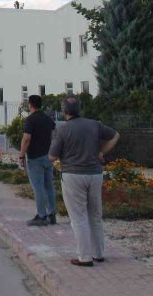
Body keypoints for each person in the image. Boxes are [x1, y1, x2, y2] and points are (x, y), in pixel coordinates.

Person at [49, 96, 120, 267]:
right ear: (79, 109)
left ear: (64, 111)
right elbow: (115, 135)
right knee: (95, 215)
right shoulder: (94, 124)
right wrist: (101, 152)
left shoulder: (63, 129)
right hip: (95, 174)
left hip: (73, 175)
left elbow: (52, 156)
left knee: (79, 217)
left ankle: (85, 257)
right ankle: (99, 253)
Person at [19, 95, 57, 226]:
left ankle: (41, 216)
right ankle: (52, 214)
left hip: (35, 157)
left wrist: (21, 156)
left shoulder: (31, 119)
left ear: (30, 105)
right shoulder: (48, 119)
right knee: (49, 186)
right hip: (48, 156)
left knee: (38, 187)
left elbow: (26, 139)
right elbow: (54, 135)